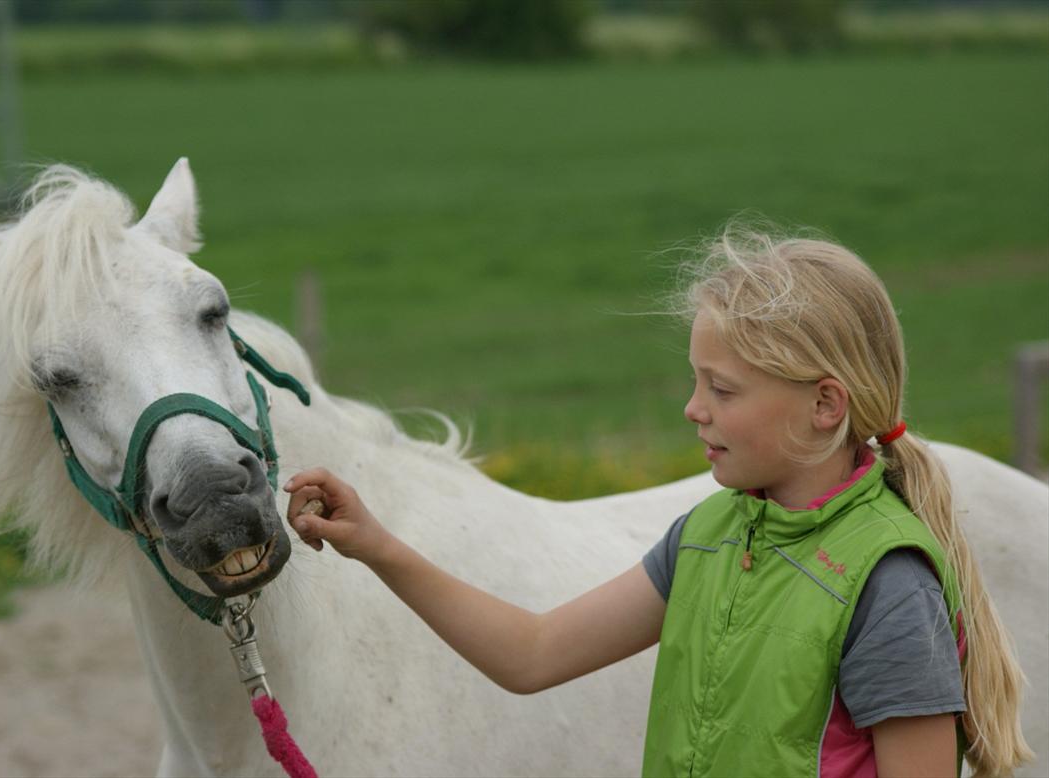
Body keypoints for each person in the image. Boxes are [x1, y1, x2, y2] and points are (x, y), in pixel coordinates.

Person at [283, 229, 1031, 777]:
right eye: (696, 382)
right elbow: (532, 654)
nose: (693, 410)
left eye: (723, 389)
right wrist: (376, 544)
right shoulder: (705, 536)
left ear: (826, 405)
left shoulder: (887, 586)